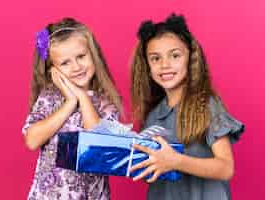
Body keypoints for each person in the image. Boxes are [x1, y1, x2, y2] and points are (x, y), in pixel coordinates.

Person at [129, 13, 244, 200]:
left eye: (175, 55)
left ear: (189, 59)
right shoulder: (153, 116)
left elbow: (225, 168)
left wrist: (176, 161)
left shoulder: (206, 106)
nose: (165, 65)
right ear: (147, 66)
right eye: (155, 58)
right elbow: (152, 174)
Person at [22, 17, 121, 200]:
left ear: (93, 55)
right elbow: (32, 140)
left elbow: (98, 148)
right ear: (53, 70)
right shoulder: (49, 97)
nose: (76, 67)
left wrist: (82, 97)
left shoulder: (105, 102)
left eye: (81, 56)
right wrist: (69, 103)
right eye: (65, 63)